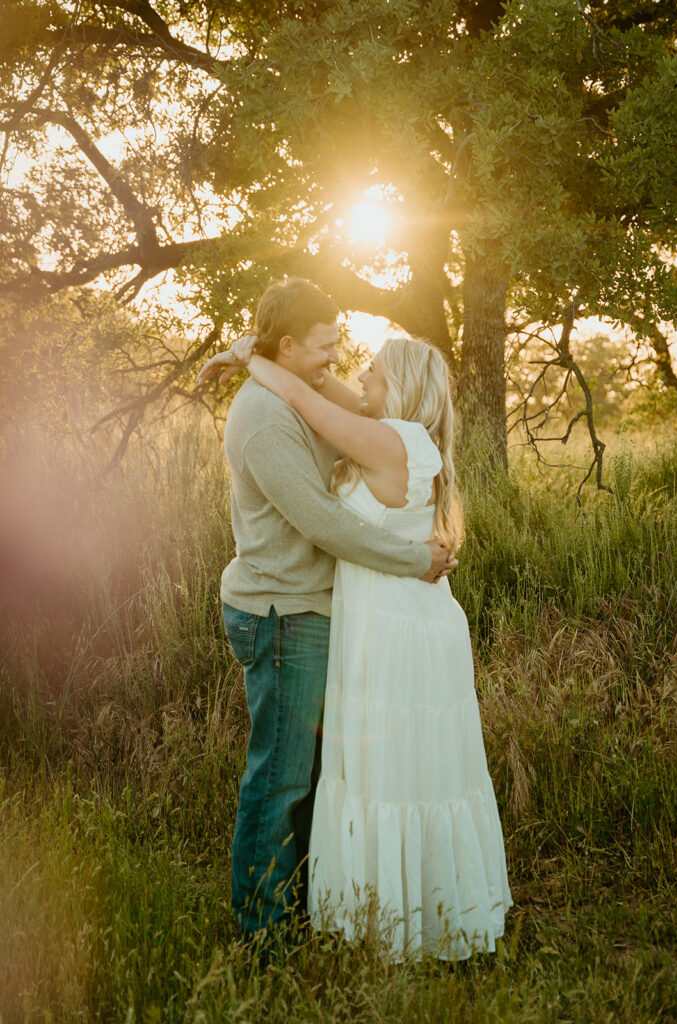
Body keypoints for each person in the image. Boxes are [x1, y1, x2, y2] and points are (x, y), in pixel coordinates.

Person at [218, 331, 512, 962]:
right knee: (400, 772)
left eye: (372, 369)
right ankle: (408, 914)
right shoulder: (396, 431)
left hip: (396, 625)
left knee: (399, 776)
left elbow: (306, 392)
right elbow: (323, 386)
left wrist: (253, 358)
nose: (359, 375)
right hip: (396, 620)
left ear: (398, 384)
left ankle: (402, 924)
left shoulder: (390, 438)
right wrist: (272, 345)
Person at [197, 278, 457, 945]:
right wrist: (412, 560)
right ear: (288, 346)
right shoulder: (261, 417)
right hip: (280, 612)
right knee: (280, 779)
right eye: (324, 344)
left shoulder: (301, 393)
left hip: (314, 610)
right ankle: (262, 935)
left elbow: (343, 417)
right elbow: (318, 520)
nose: (336, 355)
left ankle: (304, 912)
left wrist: (247, 351)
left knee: (311, 777)